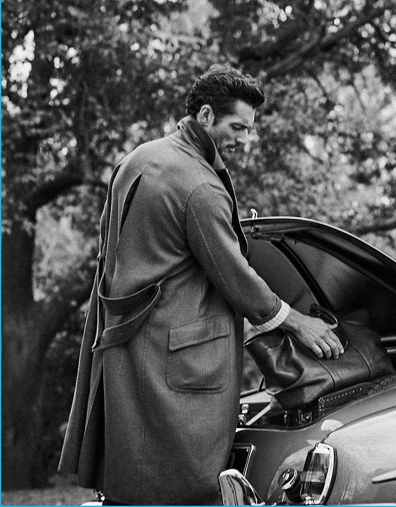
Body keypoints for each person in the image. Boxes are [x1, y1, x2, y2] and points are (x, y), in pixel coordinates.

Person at [59, 65, 344, 505]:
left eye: (249, 129)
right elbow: (236, 278)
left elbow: (111, 255)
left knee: (129, 486)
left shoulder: (137, 159)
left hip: (124, 350)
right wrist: (299, 323)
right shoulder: (198, 185)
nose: (246, 140)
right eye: (237, 128)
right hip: (177, 365)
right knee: (184, 490)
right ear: (206, 115)